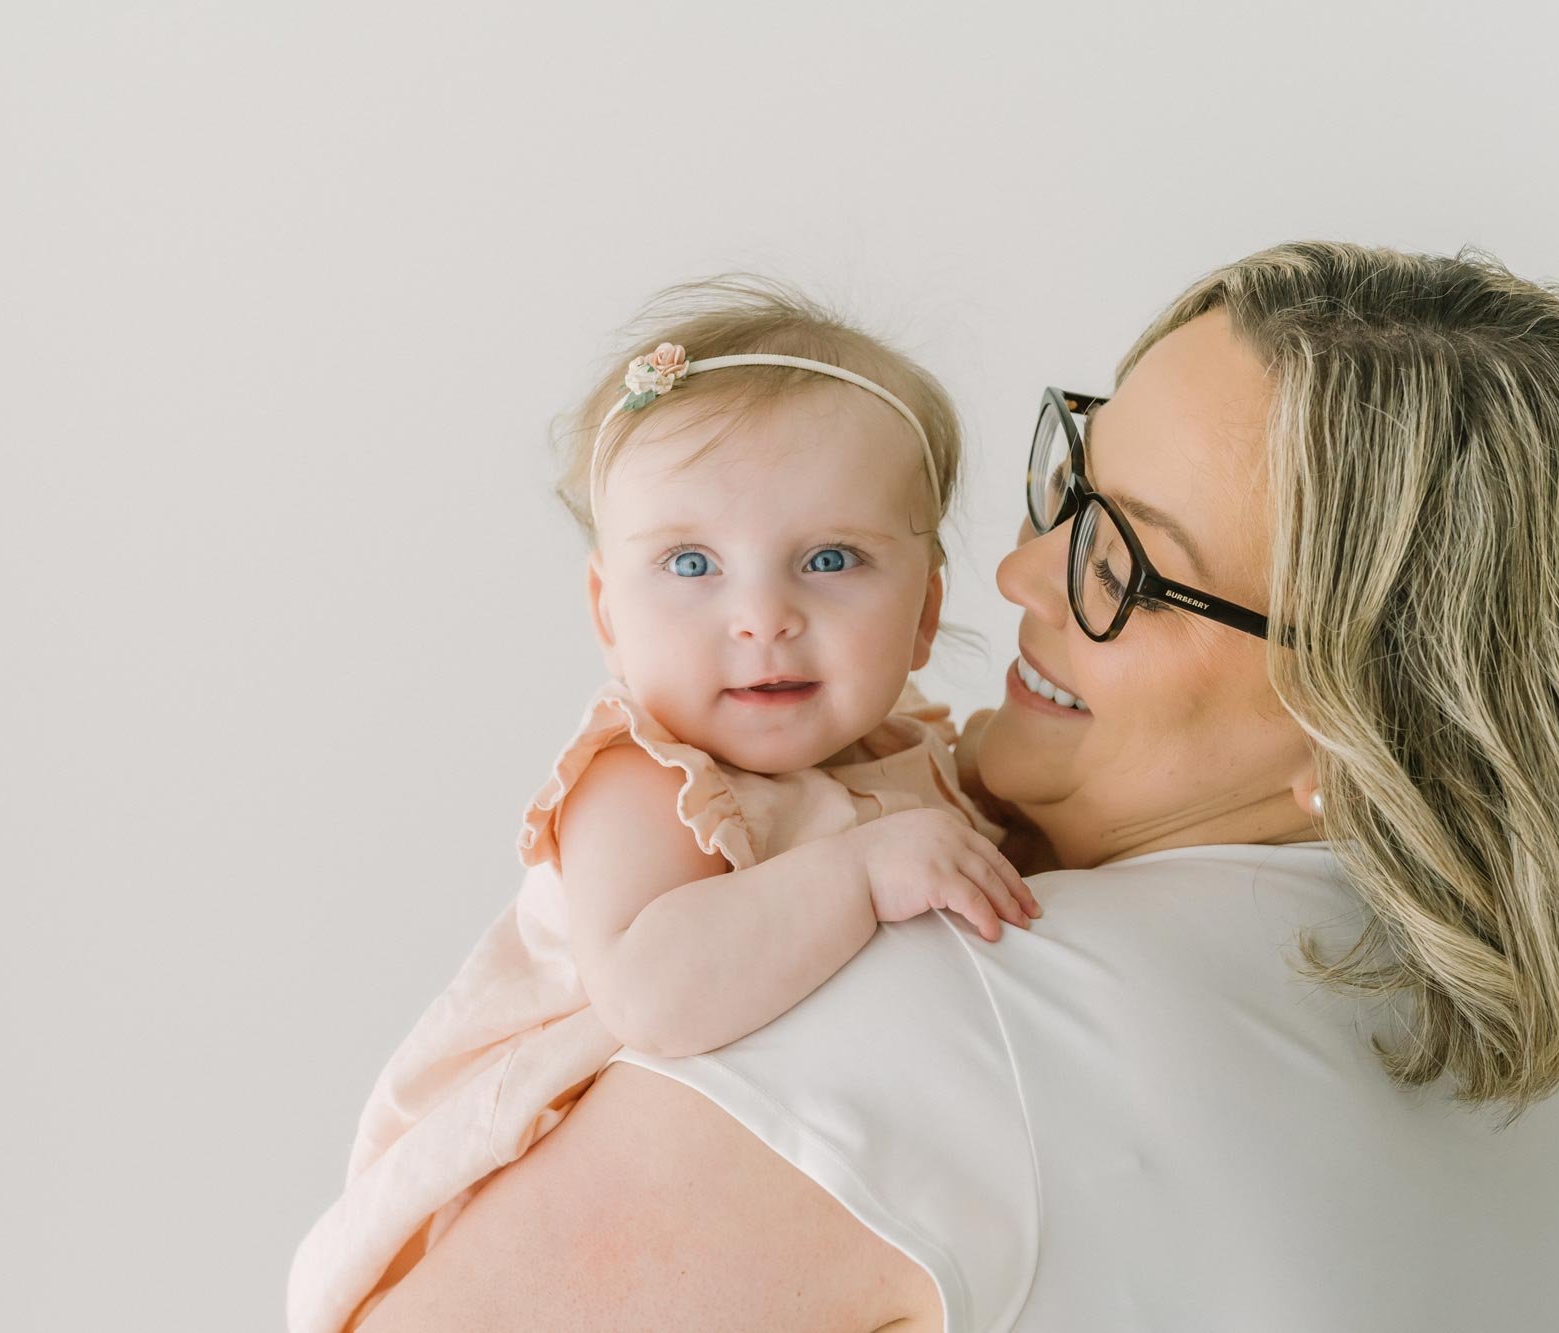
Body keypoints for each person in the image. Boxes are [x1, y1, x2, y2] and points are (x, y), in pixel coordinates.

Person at [353, 241, 1559, 1332]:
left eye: (1123, 564)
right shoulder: (1497, 1055)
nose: (1019, 577)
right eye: (1071, 484)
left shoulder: (947, 1006)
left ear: (1359, 715)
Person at [288, 279, 1040, 1333]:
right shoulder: (642, 780)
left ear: (925, 611)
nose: (763, 616)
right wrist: (863, 872)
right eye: (691, 563)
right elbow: (657, 994)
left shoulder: (911, 757)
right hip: (533, 1208)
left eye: (831, 560)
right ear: (607, 607)